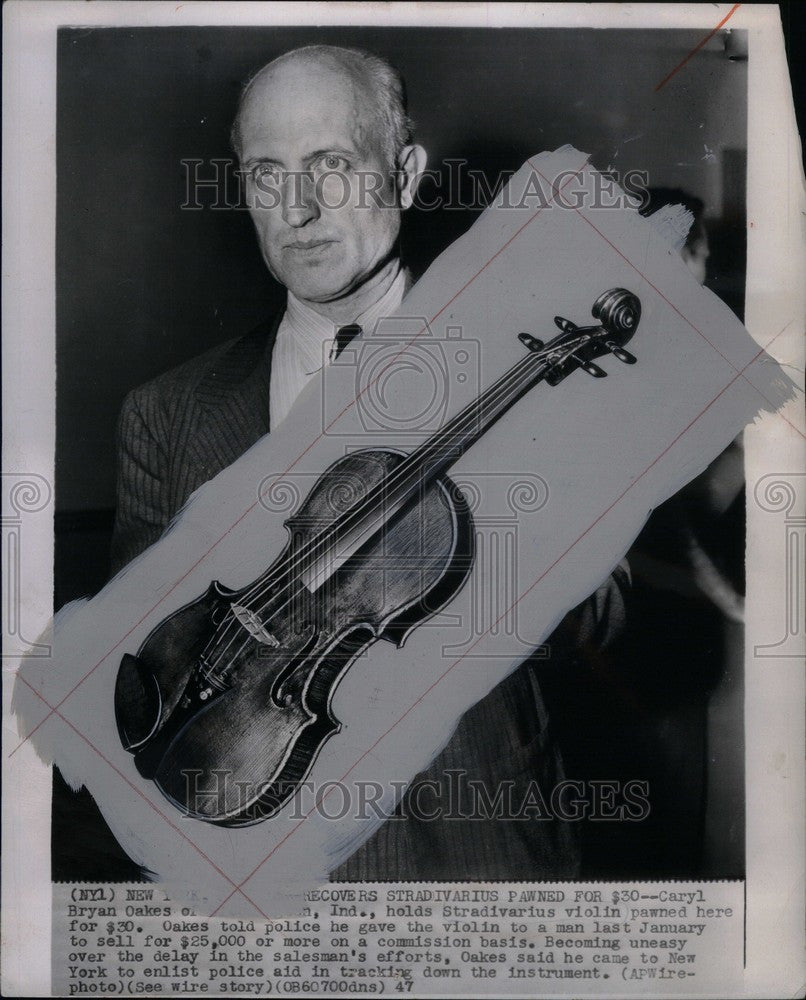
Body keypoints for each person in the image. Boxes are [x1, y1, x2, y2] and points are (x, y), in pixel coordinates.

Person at [109, 44, 628, 880]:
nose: (300, 208)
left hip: (467, 860)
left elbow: (603, 617)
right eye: (267, 173)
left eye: (333, 165)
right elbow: (141, 675)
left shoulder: (522, 375)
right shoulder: (166, 412)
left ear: (408, 172)